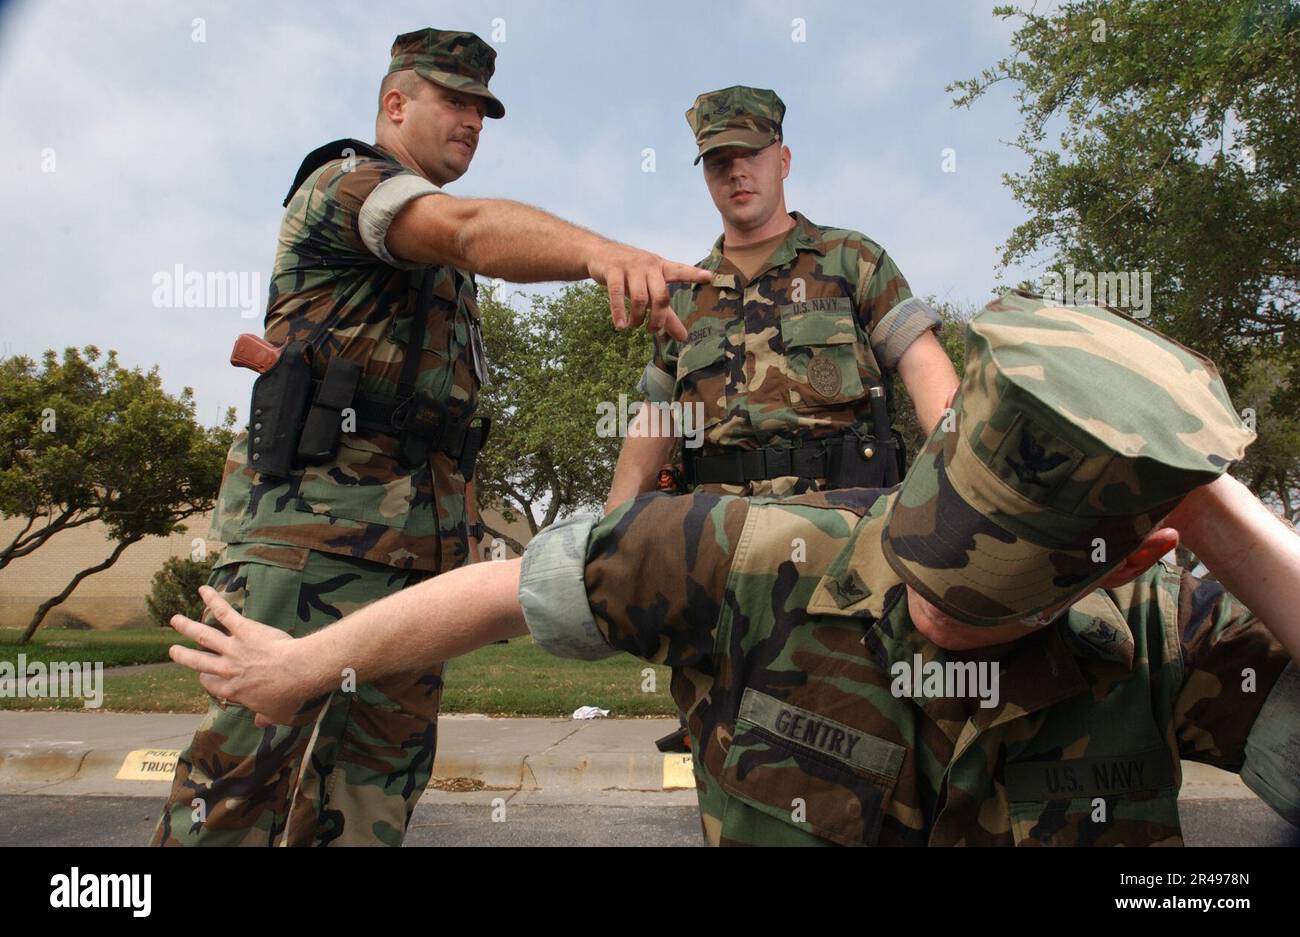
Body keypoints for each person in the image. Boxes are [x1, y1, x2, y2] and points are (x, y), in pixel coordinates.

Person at [167, 292, 1300, 846]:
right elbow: (509, 590)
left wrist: (1206, 500)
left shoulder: (1165, 624)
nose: (937, 616)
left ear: (1130, 560)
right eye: (927, 562)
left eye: (994, 603)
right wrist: (302, 661)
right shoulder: (735, 554)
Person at [150, 26, 710, 848]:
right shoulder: (348, 187)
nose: (473, 121)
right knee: (247, 794)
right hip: (314, 556)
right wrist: (602, 255)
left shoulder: (446, 274)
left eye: (482, 108)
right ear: (395, 102)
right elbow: (472, 229)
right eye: (454, 100)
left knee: (369, 801)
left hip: (417, 569)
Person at [605, 86, 959, 512]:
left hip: (843, 527)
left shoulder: (852, 260)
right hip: (714, 542)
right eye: (719, 162)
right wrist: (610, 531)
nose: (736, 172)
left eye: (751, 155)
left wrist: (965, 487)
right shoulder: (683, 297)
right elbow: (655, 420)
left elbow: (926, 373)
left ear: (784, 161)